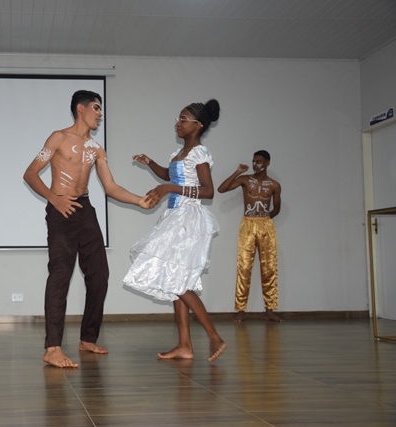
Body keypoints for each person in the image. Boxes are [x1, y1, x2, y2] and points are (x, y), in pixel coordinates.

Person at [24, 90, 154, 368]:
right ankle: (52, 348)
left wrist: (139, 200)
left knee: (99, 275)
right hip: (61, 210)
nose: (100, 114)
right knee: (60, 274)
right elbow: (30, 174)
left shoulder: (96, 148)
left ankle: (87, 338)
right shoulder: (58, 138)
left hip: (85, 210)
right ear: (80, 109)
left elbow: (110, 187)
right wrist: (54, 199)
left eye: (101, 109)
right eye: (96, 108)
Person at [124, 99, 227, 362]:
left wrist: (169, 188)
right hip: (174, 217)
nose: (177, 124)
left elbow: (208, 191)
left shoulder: (199, 153)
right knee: (175, 280)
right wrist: (150, 163)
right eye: (177, 119)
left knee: (178, 281)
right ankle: (184, 345)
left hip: (188, 219)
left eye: (182, 119)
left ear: (198, 125)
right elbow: (169, 176)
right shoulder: (179, 153)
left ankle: (214, 337)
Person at [217, 150, 283, 322]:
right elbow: (221, 189)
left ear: (267, 163)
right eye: (254, 161)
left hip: (265, 225)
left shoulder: (274, 185)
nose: (255, 165)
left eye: (259, 161)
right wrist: (237, 172)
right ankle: (241, 310)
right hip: (247, 224)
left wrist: (265, 220)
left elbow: (276, 208)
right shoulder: (245, 180)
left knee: (269, 268)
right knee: (244, 267)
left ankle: (269, 310)